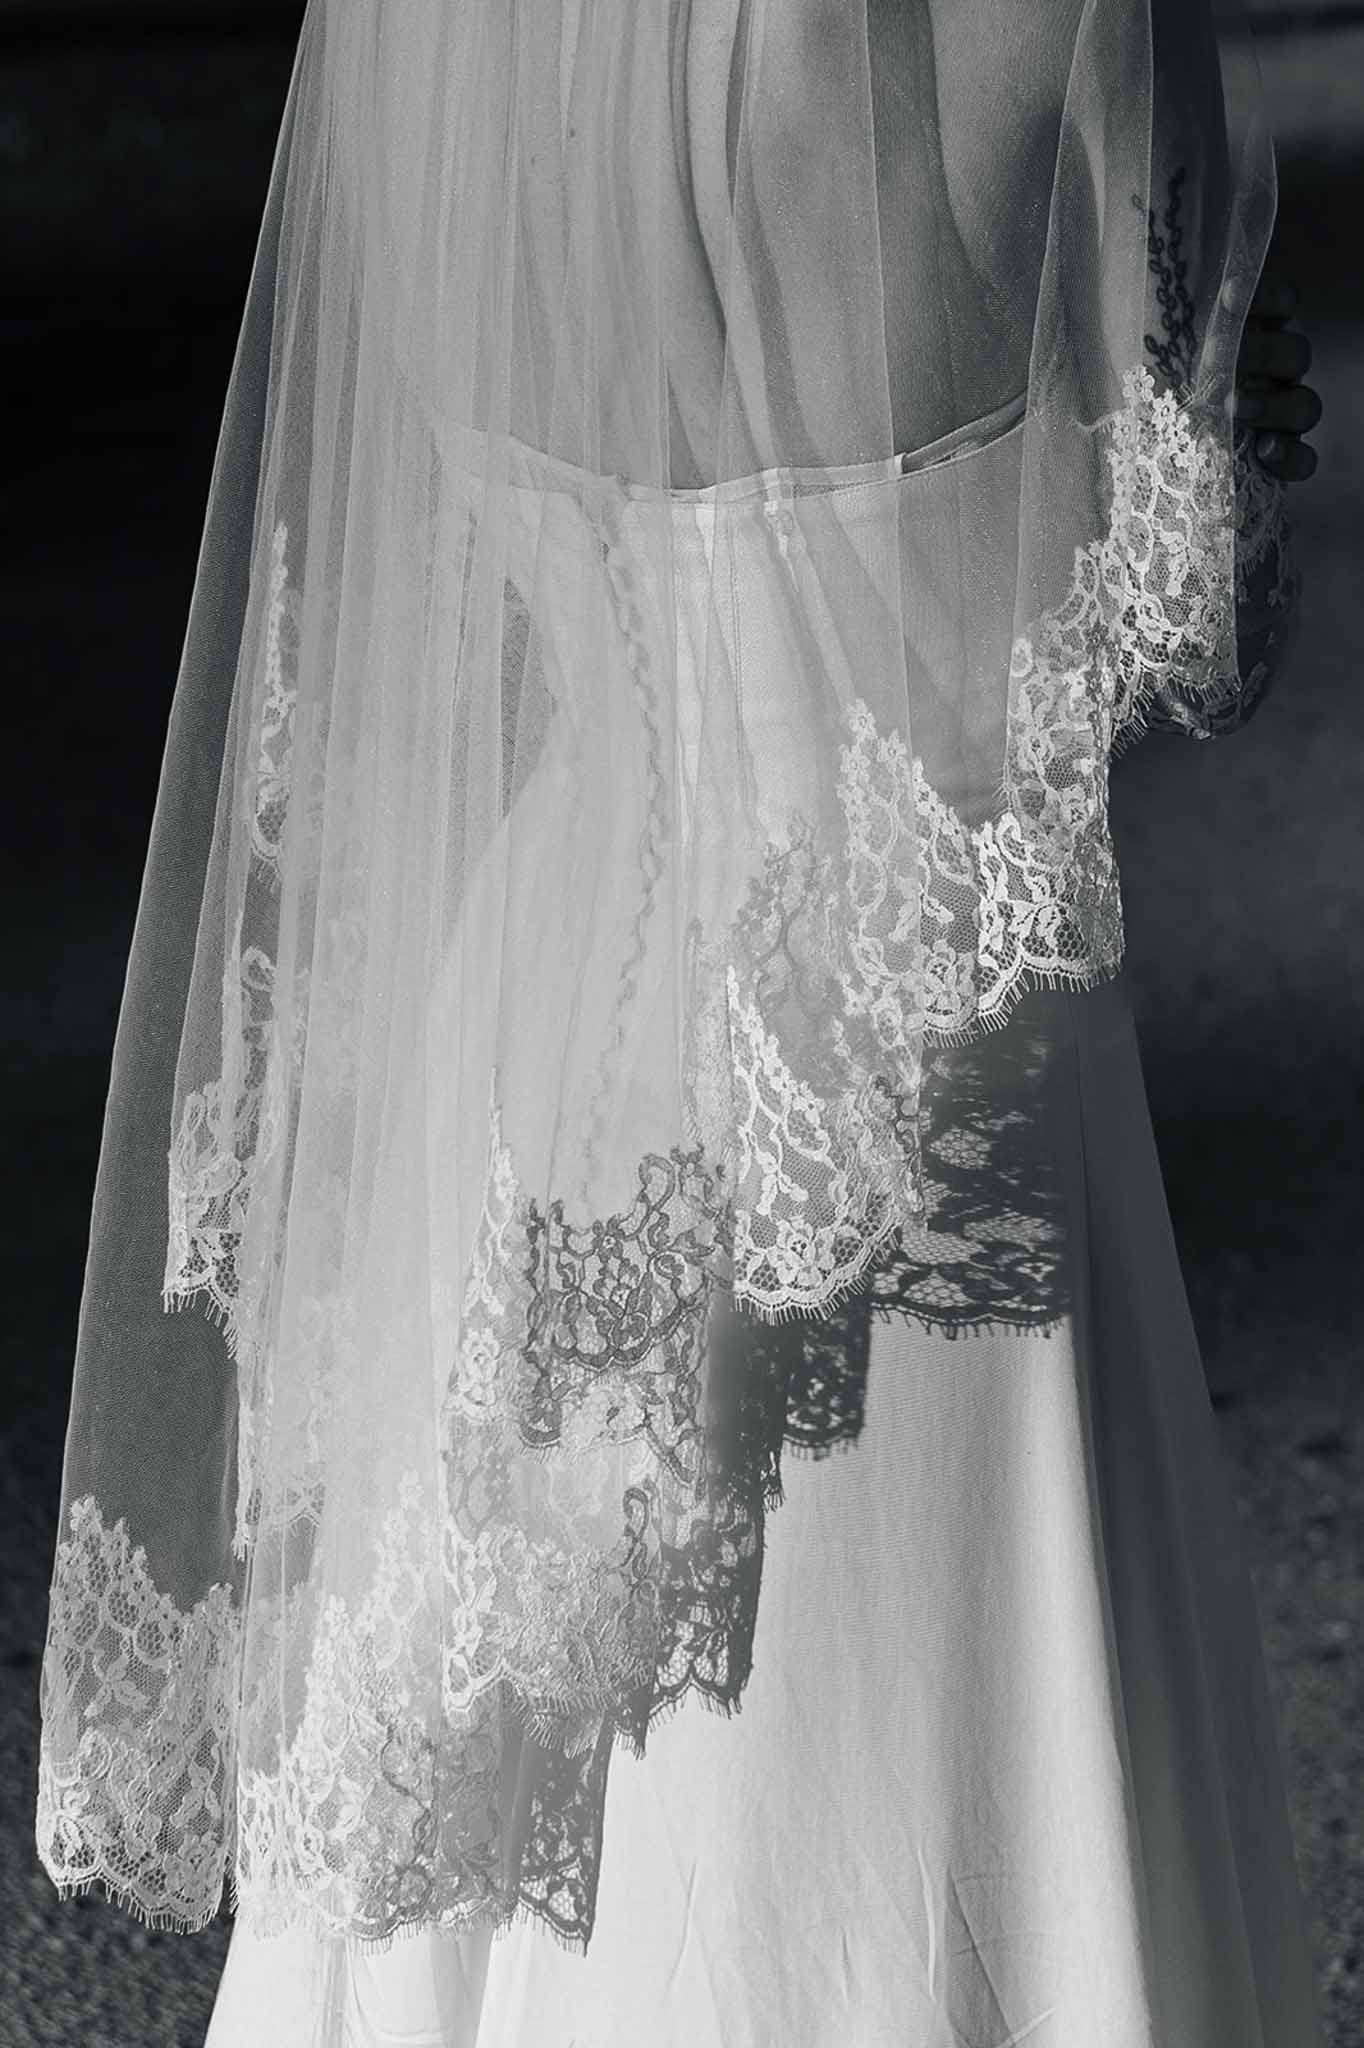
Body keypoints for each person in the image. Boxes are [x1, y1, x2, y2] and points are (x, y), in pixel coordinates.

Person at [36, 4, 1325, 2044]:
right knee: (921, 1803)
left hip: (538, 1034)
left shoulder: (407, 43)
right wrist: (1243, 476)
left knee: (538, 1842)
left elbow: (404, 556)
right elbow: (1185, 641)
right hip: (929, 1066)